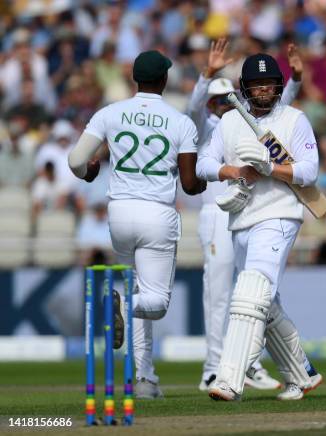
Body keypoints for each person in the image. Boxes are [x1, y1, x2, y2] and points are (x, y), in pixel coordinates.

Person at [68, 50, 206, 399]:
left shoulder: (110, 113)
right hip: (156, 214)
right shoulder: (180, 122)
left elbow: (75, 161)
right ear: (163, 80)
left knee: (137, 293)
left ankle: (143, 378)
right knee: (154, 303)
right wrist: (203, 183)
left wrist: (89, 173)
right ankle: (118, 307)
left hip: (119, 214)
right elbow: (189, 184)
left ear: (134, 79)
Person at [197, 52, 322, 401]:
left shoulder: (295, 120)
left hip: (280, 215)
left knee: (251, 292)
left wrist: (272, 169)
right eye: (256, 84)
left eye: (269, 83)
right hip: (242, 220)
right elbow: (205, 163)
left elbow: (310, 171)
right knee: (266, 304)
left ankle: (230, 378)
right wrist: (233, 172)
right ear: (245, 88)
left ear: (279, 86)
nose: (263, 89)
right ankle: (302, 374)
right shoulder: (230, 122)